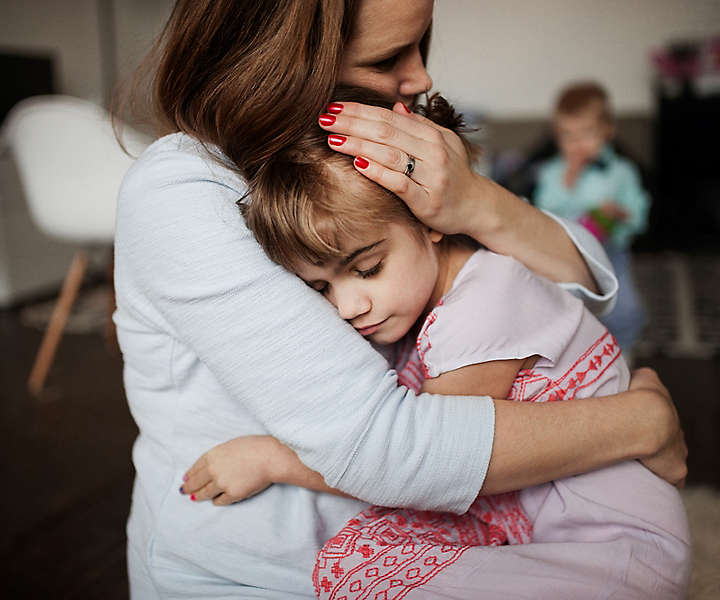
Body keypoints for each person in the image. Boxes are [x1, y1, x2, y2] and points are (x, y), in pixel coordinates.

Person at [114, 2, 687, 598]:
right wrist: (637, 421)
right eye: (388, 57)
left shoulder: (343, 159)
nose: (420, 79)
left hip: (414, 533)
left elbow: (570, 297)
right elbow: (391, 452)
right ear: (283, 60)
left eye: (421, 44)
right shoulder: (183, 189)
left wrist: (474, 201)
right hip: (253, 566)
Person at [534, 82, 650, 356]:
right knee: (569, 310)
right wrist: (568, 179)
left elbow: (639, 214)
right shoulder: (552, 173)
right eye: (567, 136)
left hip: (611, 254)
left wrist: (623, 214)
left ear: (608, 131)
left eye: (586, 134)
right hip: (566, 254)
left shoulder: (622, 171)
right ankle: (579, 357)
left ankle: (624, 350)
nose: (577, 144)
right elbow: (543, 210)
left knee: (624, 306)